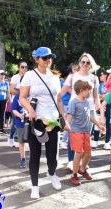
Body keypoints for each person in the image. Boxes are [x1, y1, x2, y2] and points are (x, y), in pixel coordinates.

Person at [19, 47, 65, 199]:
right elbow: (22, 97)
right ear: (37, 59)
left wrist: (63, 117)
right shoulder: (30, 76)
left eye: (50, 57)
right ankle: (34, 186)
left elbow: (58, 100)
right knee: (35, 155)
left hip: (52, 120)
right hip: (36, 120)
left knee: (53, 157)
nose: (48, 60)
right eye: (44, 57)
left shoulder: (54, 77)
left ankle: (51, 173)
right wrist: (30, 111)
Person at [60, 53, 100, 171]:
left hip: (89, 110)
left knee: (85, 137)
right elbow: (61, 92)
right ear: (79, 63)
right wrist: (54, 102)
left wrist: (99, 107)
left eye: (88, 62)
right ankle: (71, 162)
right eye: (83, 62)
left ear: (90, 65)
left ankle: (82, 162)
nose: (85, 64)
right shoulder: (72, 77)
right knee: (73, 137)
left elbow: (95, 96)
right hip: (74, 109)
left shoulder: (94, 78)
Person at [64, 79, 105, 185]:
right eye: (89, 91)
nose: (90, 93)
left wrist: (98, 125)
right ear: (81, 91)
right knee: (79, 154)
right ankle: (74, 174)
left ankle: (82, 169)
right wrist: (67, 124)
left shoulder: (86, 102)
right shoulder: (74, 102)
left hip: (86, 131)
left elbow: (89, 115)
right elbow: (69, 116)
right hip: (76, 131)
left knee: (88, 154)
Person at [8, 61, 28, 147]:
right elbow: (12, 90)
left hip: (27, 102)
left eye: (26, 67)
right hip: (17, 102)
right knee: (16, 122)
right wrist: (22, 91)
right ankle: (11, 138)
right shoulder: (15, 77)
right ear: (19, 68)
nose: (24, 69)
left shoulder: (28, 77)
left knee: (27, 122)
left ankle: (26, 141)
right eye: (22, 67)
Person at [11, 91, 27, 168]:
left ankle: (34, 158)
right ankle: (22, 158)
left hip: (31, 122)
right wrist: (20, 115)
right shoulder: (17, 96)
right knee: (21, 141)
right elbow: (14, 109)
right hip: (20, 122)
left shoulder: (32, 94)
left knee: (33, 142)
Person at [59, 66, 72, 149]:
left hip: (66, 104)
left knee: (68, 124)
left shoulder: (61, 82)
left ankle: (64, 140)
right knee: (68, 124)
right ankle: (63, 140)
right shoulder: (64, 83)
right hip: (66, 104)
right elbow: (72, 92)